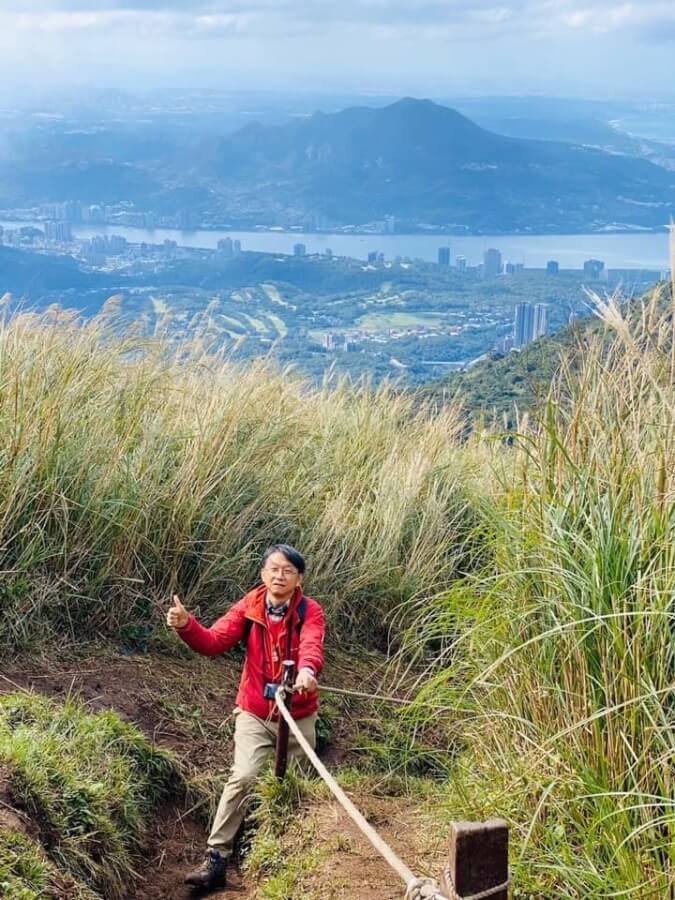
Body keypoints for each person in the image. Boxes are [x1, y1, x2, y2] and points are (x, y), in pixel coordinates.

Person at [166, 544, 325, 891]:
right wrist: (186, 625)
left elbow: (312, 644)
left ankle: (283, 856)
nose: (279, 576)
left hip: (298, 714)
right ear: (263, 574)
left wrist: (307, 671)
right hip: (255, 710)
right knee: (244, 776)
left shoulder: (309, 610)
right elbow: (213, 641)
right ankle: (217, 858)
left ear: (299, 578)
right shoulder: (250, 606)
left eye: (287, 570)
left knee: (297, 787)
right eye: (273, 569)